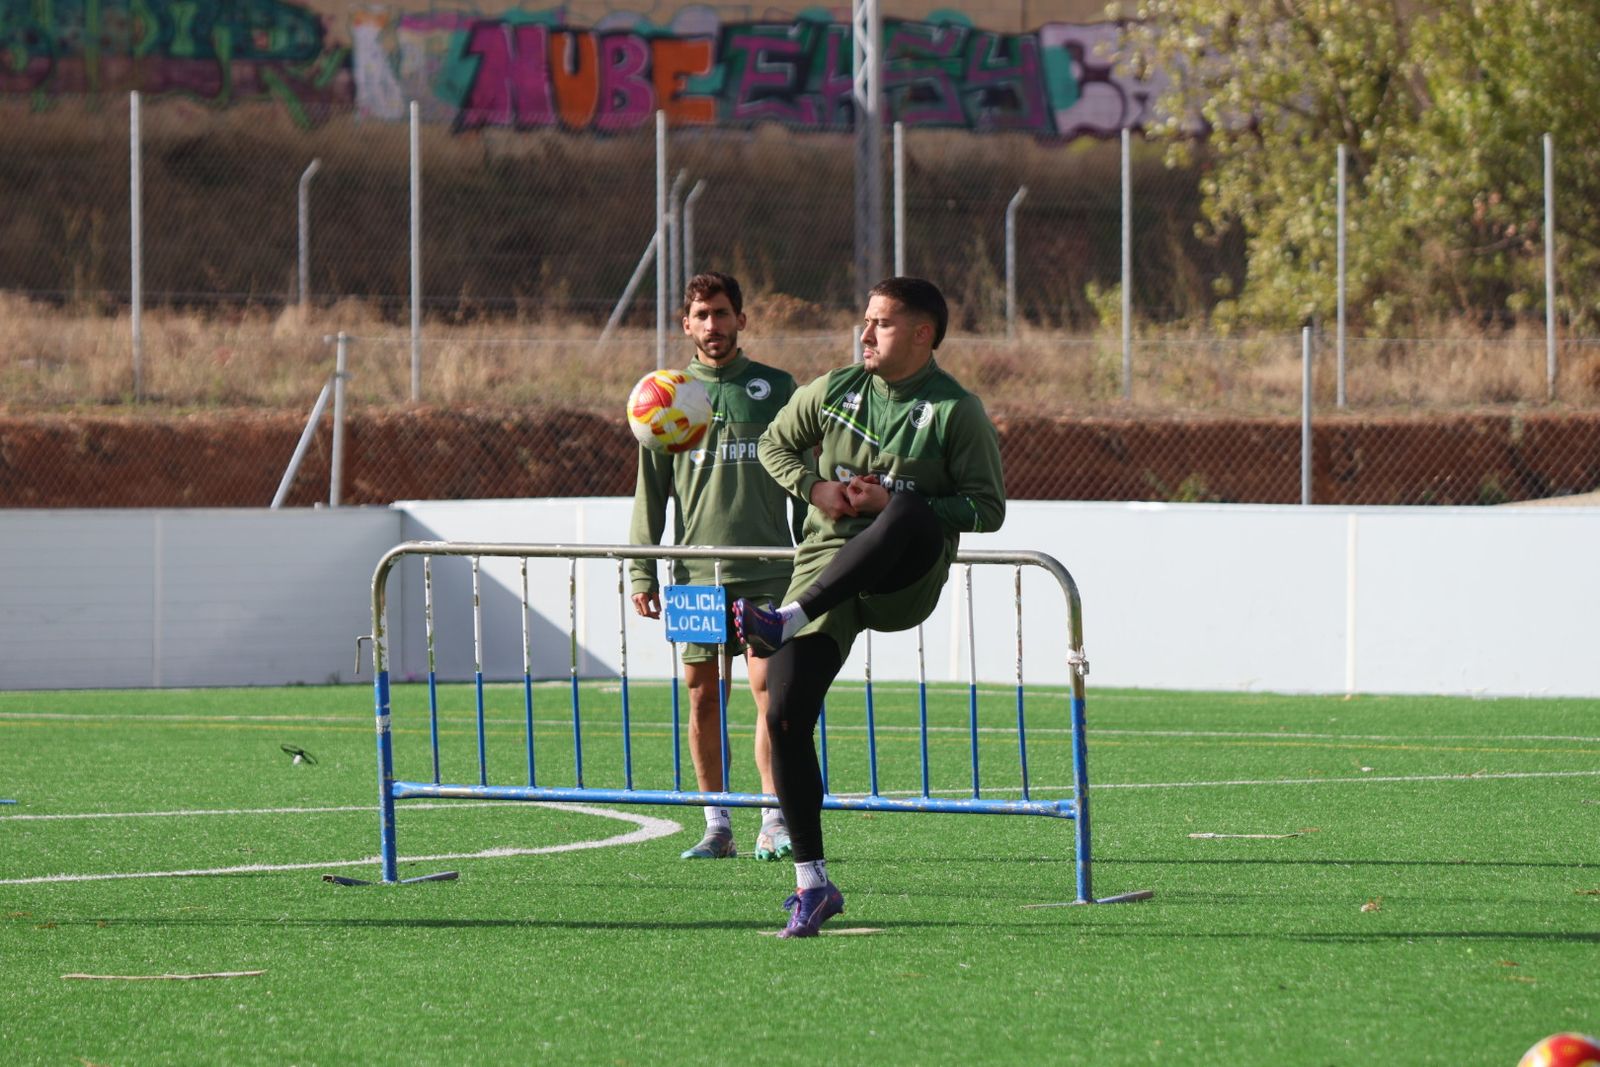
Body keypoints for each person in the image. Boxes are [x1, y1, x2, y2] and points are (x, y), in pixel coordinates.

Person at [734, 276, 1006, 938]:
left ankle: (792, 616)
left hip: (899, 579)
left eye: (880, 323)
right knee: (786, 717)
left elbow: (987, 508)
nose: (864, 333)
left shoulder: (953, 409)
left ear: (922, 334)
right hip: (824, 574)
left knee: (909, 509)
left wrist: (889, 506)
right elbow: (775, 444)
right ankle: (813, 884)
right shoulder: (834, 390)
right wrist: (815, 487)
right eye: (864, 320)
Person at [629, 272, 803, 862]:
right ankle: (716, 824)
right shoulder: (665, 394)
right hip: (696, 576)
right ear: (686, 324)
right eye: (702, 315)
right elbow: (649, 496)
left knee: (769, 695)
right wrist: (642, 573)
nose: (713, 325)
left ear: (741, 320)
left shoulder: (776, 388)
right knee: (703, 696)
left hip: (768, 570)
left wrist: (814, 559)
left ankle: (774, 818)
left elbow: (804, 480)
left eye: (723, 313)